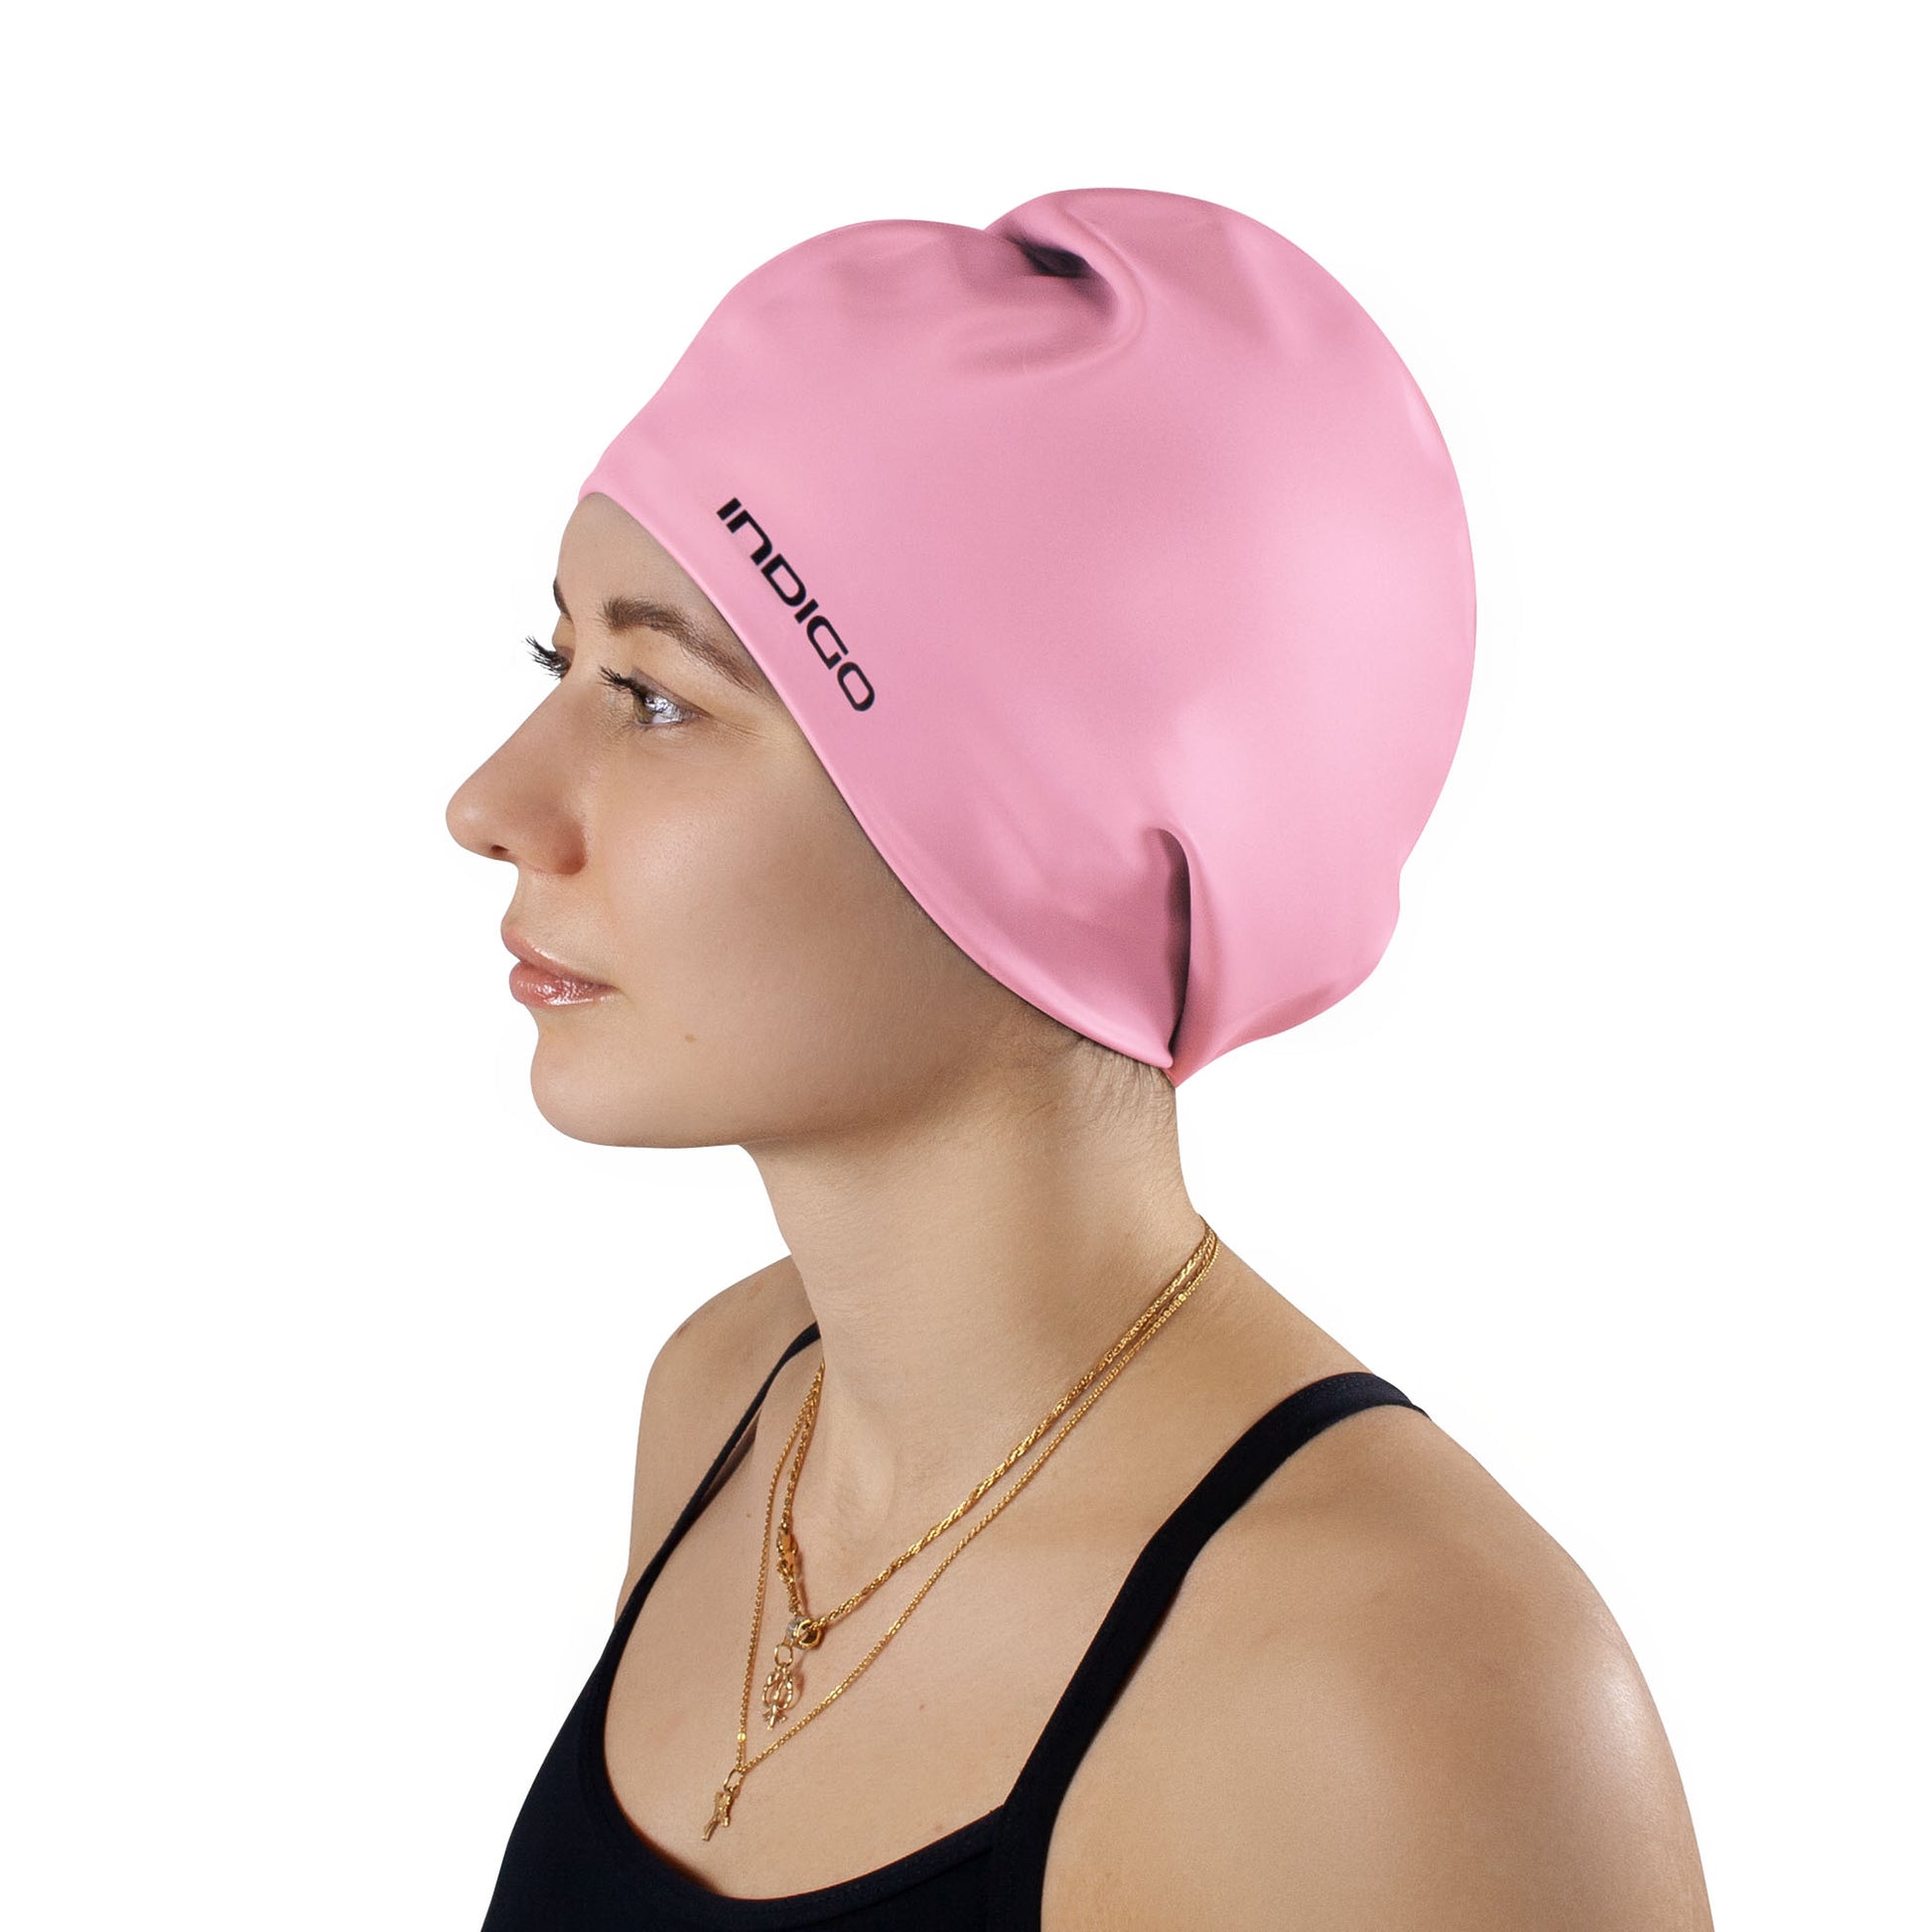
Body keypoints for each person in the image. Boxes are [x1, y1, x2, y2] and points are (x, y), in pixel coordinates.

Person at [446, 188, 1714, 1929]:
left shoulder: (1407, 1690)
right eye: (559, 654)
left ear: (1042, 843)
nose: (490, 801)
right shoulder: (729, 1406)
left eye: (654, 697)